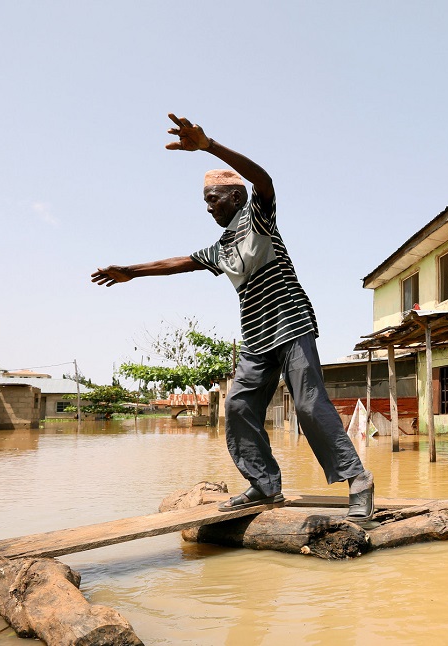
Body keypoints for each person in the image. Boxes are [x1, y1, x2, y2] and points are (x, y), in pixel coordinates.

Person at [91, 114, 374, 518]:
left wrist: (209, 146)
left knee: (310, 405)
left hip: (290, 323)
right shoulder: (221, 247)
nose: (208, 208)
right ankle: (264, 485)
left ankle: (358, 480)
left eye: (212, 199)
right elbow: (183, 261)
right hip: (256, 338)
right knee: (239, 407)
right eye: (205, 201)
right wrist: (131, 272)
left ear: (235, 197)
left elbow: (264, 180)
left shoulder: (258, 216)